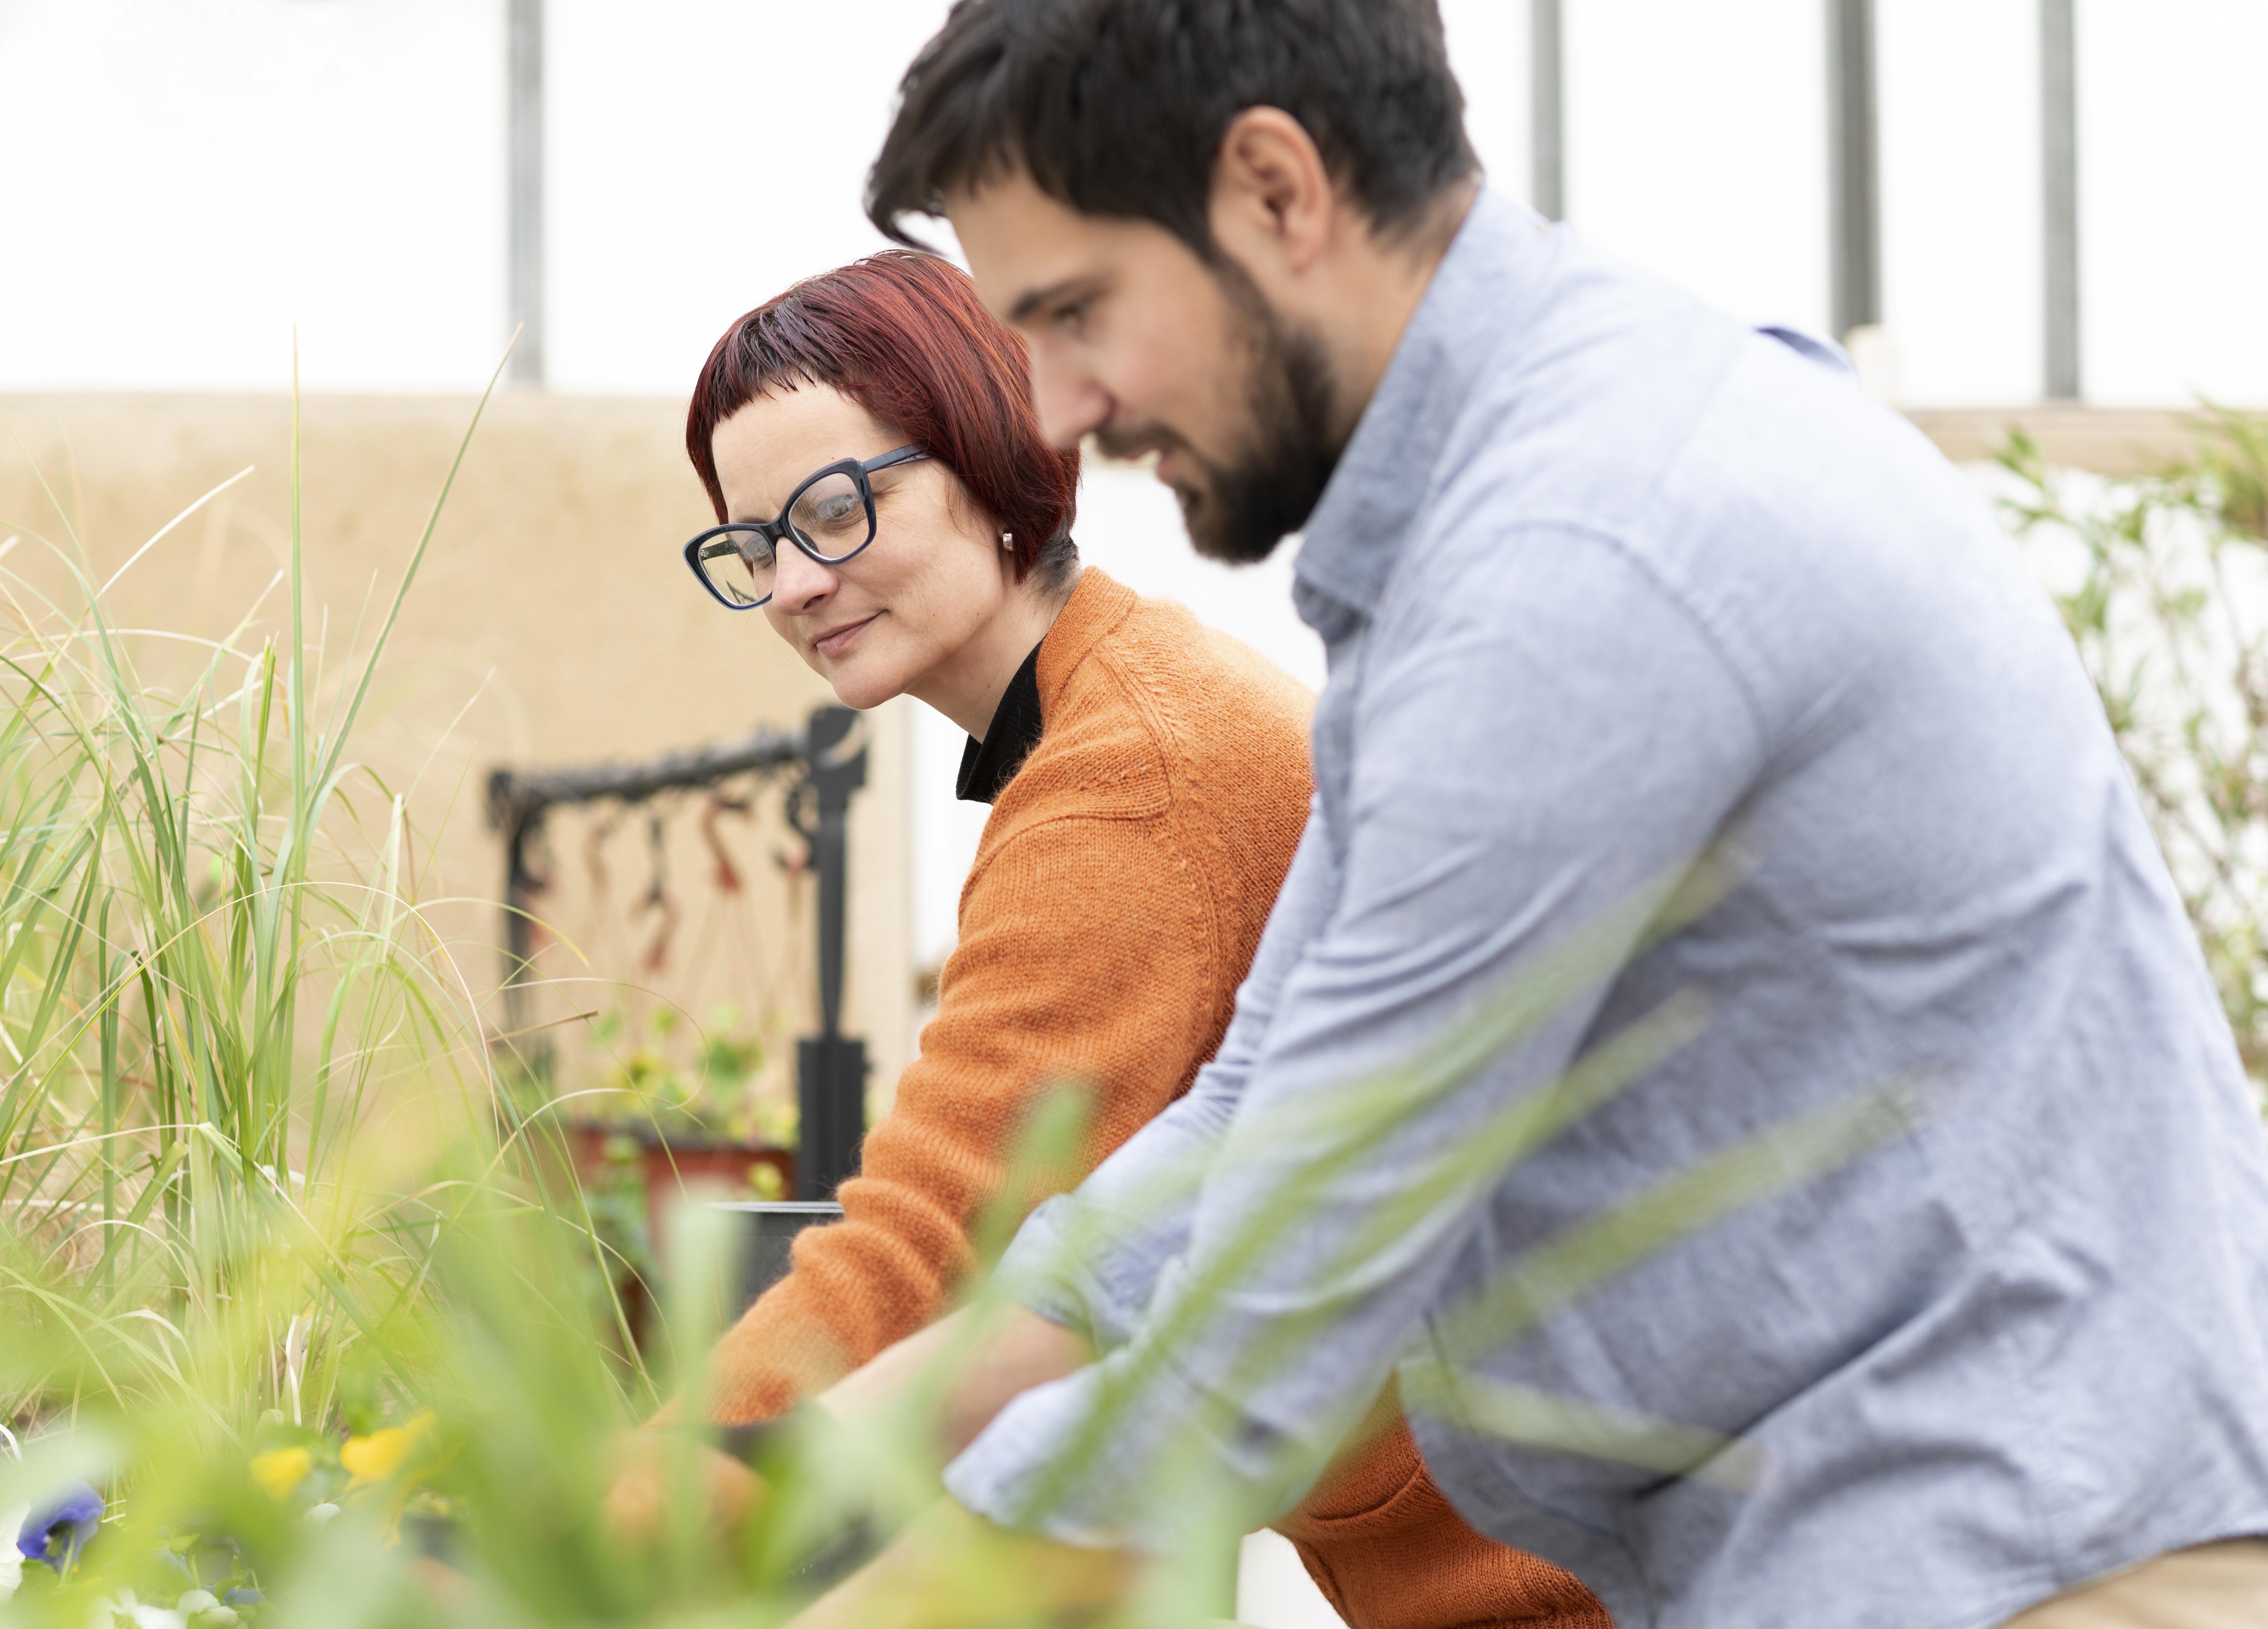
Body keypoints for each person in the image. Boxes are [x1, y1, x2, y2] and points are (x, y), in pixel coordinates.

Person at [790, 3, 2268, 1627]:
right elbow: (1249, 1132)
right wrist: (789, 1469)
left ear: (1278, 191)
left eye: (1077, 314)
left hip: (2037, 1566)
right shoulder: (1499, 511)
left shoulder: (1584, 555)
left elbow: (1288, 1291)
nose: (1059, 408)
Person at [636, 249, 1609, 1629]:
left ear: (991, 454)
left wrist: (605, 1514)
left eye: (838, 508)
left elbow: (938, 1253)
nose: (795, 581)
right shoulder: (1127, 700)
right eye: (754, 546)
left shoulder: (1128, 777)